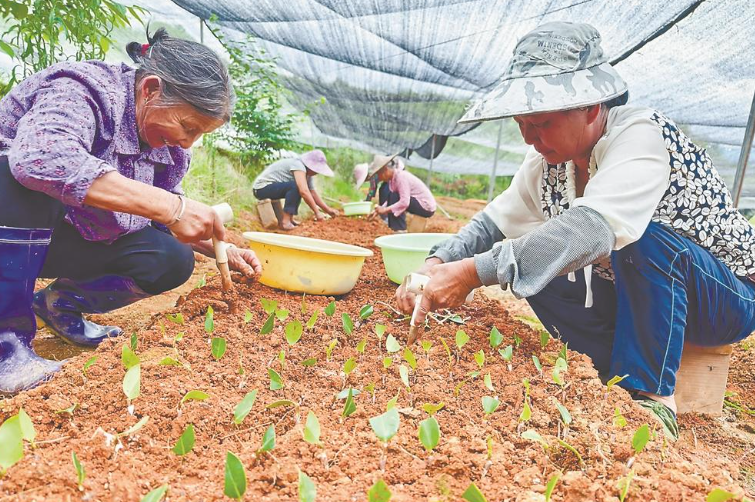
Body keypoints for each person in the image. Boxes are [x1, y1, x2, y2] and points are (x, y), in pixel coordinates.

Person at [395, 21, 755, 440]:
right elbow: (493, 222)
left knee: (640, 239)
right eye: (521, 123)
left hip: (723, 298)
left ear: (591, 107)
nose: (529, 138)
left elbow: (592, 229)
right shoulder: (548, 162)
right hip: (638, 295)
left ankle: (653, 397)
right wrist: (437, 262)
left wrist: (470, 273)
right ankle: (604, 370)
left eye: (541, 122)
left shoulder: (641, 135)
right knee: (535, 266)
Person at [0, 27, 263, 395]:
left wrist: (222, 248)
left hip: (56, 240)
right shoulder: (83, 89)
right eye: (187, 127)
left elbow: (164, 215)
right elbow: (40, 158)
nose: (188, 142)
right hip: (13, 227)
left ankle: (59, 306)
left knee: (170, 257)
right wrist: (171, 207)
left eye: (199, 135)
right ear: (151, 89)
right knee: (27, 175)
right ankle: (6, 346)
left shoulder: (170, 150)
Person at [252, 150, 339, 230]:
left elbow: (312, 192)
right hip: (261, 189)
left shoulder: (307, 173)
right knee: (296, 186)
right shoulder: (298, 165)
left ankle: (290, 219)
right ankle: (286, 221)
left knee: (297, 186)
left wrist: (327, 210)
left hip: (272, 188)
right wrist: (317, 212)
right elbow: (304, 191)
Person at [365, 154, 436, 232]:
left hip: (426, 206)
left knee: (395, 196)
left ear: (385, 170)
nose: (379, 178)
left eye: (378, 175)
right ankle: (396, 228)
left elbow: (404, 202)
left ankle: (399, 230)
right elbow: (390, 200)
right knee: (392, 195)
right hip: (418, 203)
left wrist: (385, 210)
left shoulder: (401, 177)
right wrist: (378, 210)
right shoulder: (393, 179)